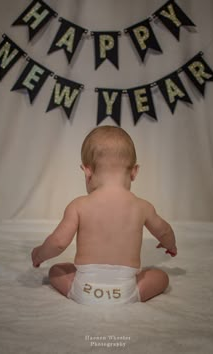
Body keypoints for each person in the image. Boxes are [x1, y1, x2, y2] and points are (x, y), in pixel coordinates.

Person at [31, 126, 177, 305]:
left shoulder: (79, 205)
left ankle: (75, 289)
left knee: (56, 270)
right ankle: (133, 292)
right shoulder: (142, 206)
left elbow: (59, 242)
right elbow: (164, 231)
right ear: (134, 172)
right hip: (125, 291)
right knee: (160, 276)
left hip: (84, 289)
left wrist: (39, 254)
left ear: (87, 171)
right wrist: (170, 245)